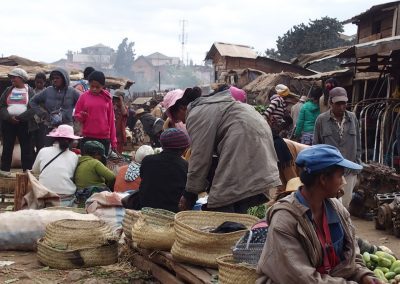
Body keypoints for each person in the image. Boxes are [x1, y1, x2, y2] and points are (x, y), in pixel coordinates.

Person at [257, 144, 378, 284]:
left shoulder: (338, 210)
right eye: (340, 176)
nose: (343, 182)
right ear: (323, 179)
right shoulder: (284, 220)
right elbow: (301, 278)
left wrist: (363, 275)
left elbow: (352, 255)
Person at [176, 87, 281, 213]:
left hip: (243, 146)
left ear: (182, 108)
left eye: (178, 118)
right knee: (236, 202)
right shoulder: (226, 106)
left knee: (222, 204)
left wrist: (189, 195)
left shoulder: (197, 112)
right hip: (259, 154)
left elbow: (200, 157)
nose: (181, 122)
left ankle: (231, 230)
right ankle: (238, 230)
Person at [314, 87, 361, 210]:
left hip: (349, 169)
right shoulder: (321, 120)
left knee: (345, 204)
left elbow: (358, 143)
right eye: (338, 103)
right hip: (330, 171)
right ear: (330, 103)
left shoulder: (352, 118)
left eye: (344, 103)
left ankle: (343, 227)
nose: (341, 107)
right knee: (332, 204)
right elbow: (316, 145)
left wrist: (357, 162)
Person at [136, 128, 195, 212]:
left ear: (162, 145)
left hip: (146, 208)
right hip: (171, 212)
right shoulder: (185, 165)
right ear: (184, 149)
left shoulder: (147, 160)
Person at [31, 124, 81, 206]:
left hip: (44, 196)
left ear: (55, 138)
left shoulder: (43, 151)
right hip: (66, 198)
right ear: (72, 141)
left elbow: (35, 171)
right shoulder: (74, 156)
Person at [29, 67, 80, 146]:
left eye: (57, 78)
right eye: (53, 78)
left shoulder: (72, 91)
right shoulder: (48, 91)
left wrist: (76, 117)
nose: (54, 80)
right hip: (49, 125)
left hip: (66, 126)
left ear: (64, 79)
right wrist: (42, 113)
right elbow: (32, 101)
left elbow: (83, 103)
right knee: (48, 148)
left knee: (65, 150)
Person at [0, 68, 35, 174]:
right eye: (11, 77)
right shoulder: (8, 90)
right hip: (8, 123)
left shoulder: (30, 91)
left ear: (21, 78)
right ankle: (5, 170)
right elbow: (2, 105)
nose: (12, 79)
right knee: (7, 146)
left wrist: (20, 118)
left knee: (26, 147)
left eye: (14, 77)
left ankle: (27, 170)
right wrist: (9, 117)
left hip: (23, 123)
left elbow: (33, 108)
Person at [73, 70, 117, 155]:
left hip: (103, 138)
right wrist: (82, 116)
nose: (94, 89)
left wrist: (113, 141)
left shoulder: (107, 98)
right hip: (87, 137)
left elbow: (111, 120)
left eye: (98, 87)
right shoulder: (83, 97)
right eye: (92, 86)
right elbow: (76, 115)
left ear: (103, 86)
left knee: (100, 165)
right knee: (86, 164)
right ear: (88, 84)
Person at [74, 140, 115, 205]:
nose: (101, 158)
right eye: (101, 155)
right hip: (94, 194)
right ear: (96, 154)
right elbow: (112, 177)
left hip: (80, 195)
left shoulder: (79, 162)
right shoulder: (95, 163)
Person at [31, 72, 48, 158]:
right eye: (37, 82)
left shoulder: (48, 93)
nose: (38, 84)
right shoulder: (31, 92)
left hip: (43, 122)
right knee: (31, 143)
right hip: (32, 121)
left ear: (44, 82)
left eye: (41, 82)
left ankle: (38, 161)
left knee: (41, 144)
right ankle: (32, 162)